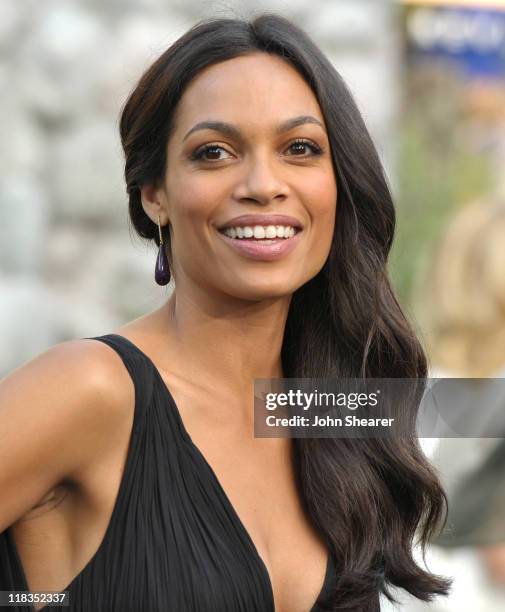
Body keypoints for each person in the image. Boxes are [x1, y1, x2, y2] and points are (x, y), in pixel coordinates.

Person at [0, 13, 450, 612]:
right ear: (153, 193)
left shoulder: (329, 410)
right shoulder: (92, 390)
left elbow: (472, 418)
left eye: (300, 149)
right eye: (214, 152)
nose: (263, 184)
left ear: (338, 183)